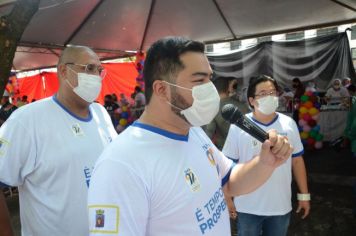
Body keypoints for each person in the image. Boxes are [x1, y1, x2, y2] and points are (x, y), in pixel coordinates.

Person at [87, 37, 293, 236]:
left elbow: (230, 182)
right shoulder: (121, 165)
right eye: (199, 80)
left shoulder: (193, 132)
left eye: (209, 79)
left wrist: (265, 163)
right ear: (162, 89)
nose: (210, 89)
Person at [0, 45, 118, 236]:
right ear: (63, 71)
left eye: (99, 70)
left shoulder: (100, 113)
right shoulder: (27, 121)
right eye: (88, 68)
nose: (96, 76)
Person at [222, 75, 310, 236]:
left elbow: (297, 161)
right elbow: (227, 165)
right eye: (263, 93)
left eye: (272, 92)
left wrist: (304, 195)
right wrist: (227, 197)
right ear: (251, 100)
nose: (269, 96)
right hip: (247, 206)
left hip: (280, 205)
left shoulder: (288, 123)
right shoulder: (239, 126)